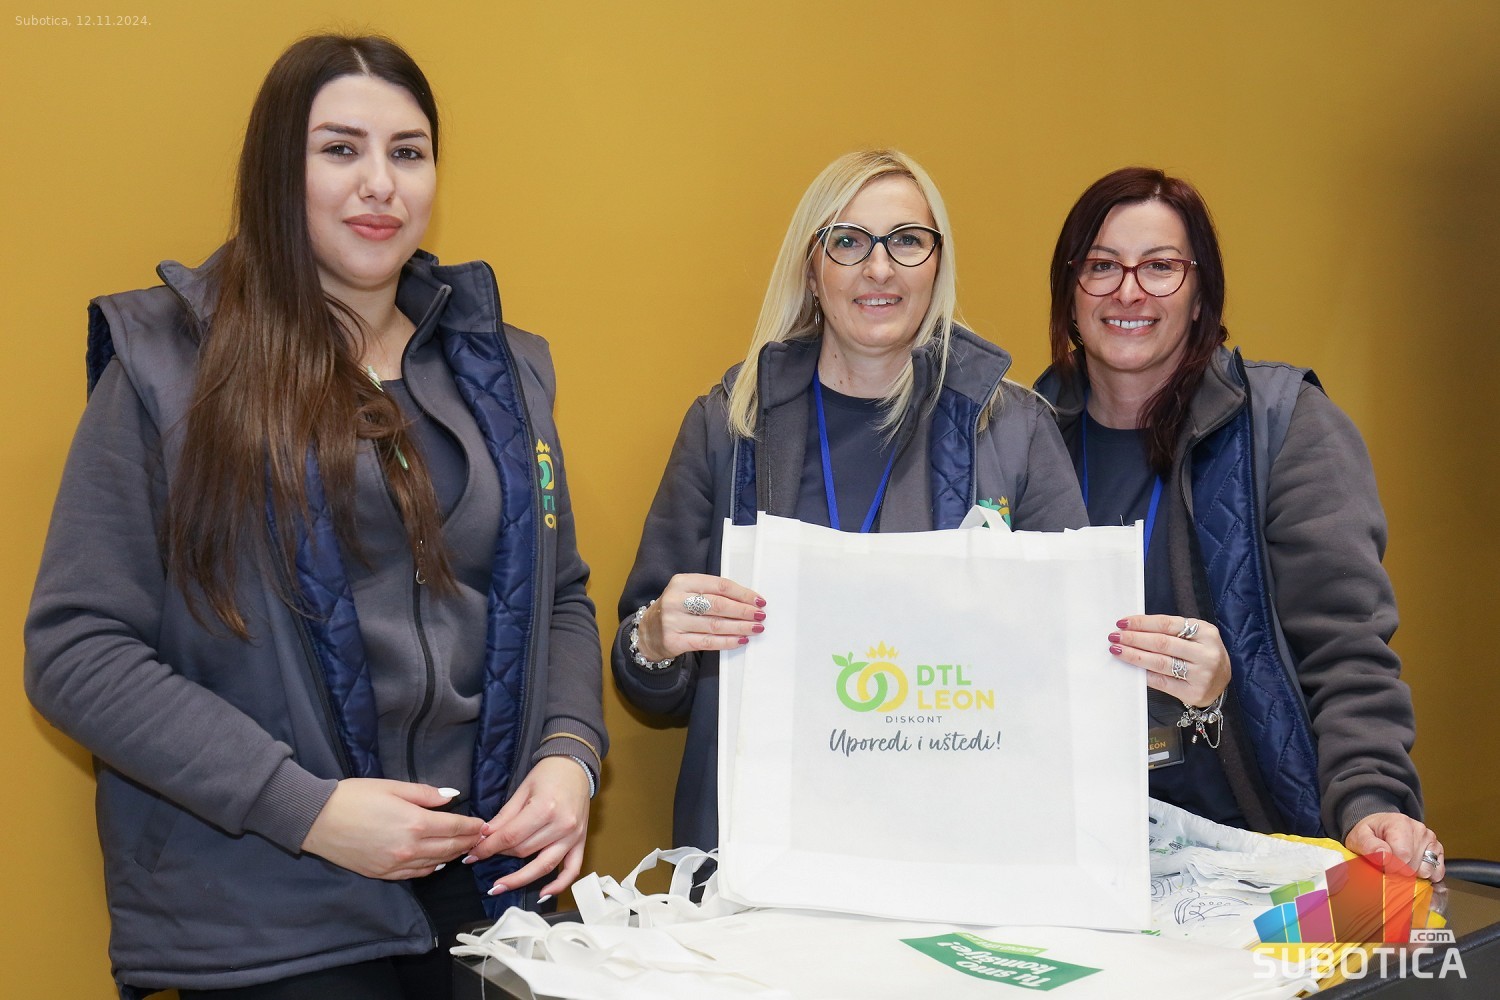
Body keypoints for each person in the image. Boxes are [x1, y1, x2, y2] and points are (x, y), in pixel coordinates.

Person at [24, 34, 606, 999]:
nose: (380, 183)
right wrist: (306, 810)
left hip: (494, 898)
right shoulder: (167, 366)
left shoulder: (501, 368)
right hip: (278, 914)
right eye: (340, 149)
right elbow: (77, 651)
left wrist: (571, 756)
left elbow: (562, 597)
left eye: (408, 152)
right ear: (275, 171)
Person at [612, 149, 1087, 852]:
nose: (880, 268)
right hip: (760, 843)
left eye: (908, 241)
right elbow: (648, 678)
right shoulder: (727, 425)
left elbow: (1076, 654)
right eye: (848, 241)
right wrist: (654, 640)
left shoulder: (1014, 429)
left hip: (956, 841)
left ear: (937, 265)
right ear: (812, 268)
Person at [1034, 166, 1442, 878]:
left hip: (1253, 850)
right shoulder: (1018, 438)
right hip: (1068, 854)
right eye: (1101, 266)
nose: (1128, 291)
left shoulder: (1286, 425)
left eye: (1160, 266)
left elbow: (1347, 650)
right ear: (1070, 292)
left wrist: (1369, 797)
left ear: (1201, 296)